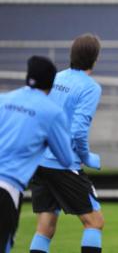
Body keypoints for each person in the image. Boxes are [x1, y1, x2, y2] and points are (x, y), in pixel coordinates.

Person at [29, 34, 104, 253]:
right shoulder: (90, 88)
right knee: (95, 222)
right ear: (95, 59)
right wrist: (86, 157)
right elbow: (78, 131)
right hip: (63, 163)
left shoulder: (55, 78)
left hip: (40, 161)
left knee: (45, 228)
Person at [0, 56, 75, 253]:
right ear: (51, 83)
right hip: (7, 188)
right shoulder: (51, 112)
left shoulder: (3, 99)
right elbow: (66, 158)